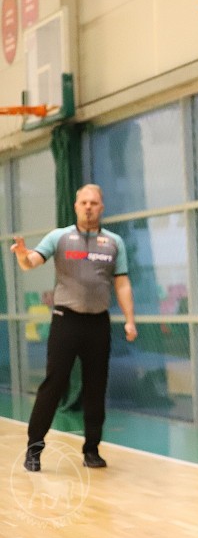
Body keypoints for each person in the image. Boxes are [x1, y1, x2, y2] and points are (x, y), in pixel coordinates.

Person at [10, 183, 137, 472]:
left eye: (94, 203)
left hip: (98, 323)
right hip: (66, 321)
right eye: (84, 203)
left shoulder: (114, 243)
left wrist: (130, 319)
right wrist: (22, 255)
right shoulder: (59, 237)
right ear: (76, 206)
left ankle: (92, 450)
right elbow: (31, 262)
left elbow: (122, 283)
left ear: (101, 207)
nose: (88, 207)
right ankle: (34, 450)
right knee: (54, 384)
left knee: (96, 387)